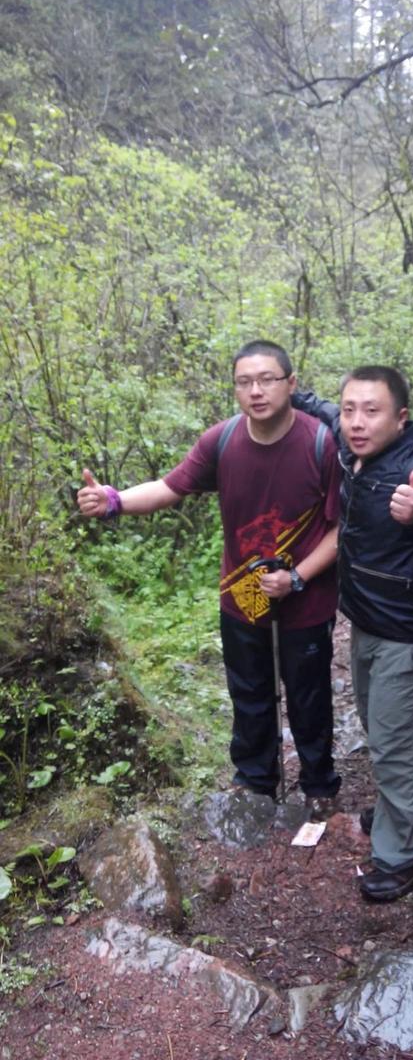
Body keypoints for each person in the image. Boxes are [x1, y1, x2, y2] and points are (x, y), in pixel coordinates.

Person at [77, 339, 342, 811]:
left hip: (305, 597)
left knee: (309, 695)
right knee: (249, 690)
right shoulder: (222, 441)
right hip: (242, 594)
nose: (256, 391)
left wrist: (296, 578)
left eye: (267, 380)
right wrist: (113, 500)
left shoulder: (321, 442)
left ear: (291, 383)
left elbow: (341, 530)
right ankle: (255, 780)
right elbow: (169, 487)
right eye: (244, 382)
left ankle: (319, 785)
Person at [293, 367, 413, 902]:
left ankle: (401, 854)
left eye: (371, 411)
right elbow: (320, 407)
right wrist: (286, 389)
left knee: (390, 742)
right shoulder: (353, 448)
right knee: (390, 724)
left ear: (401, 418)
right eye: (350, 409)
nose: (355, 421)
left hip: (411, 630)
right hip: (370, 621)